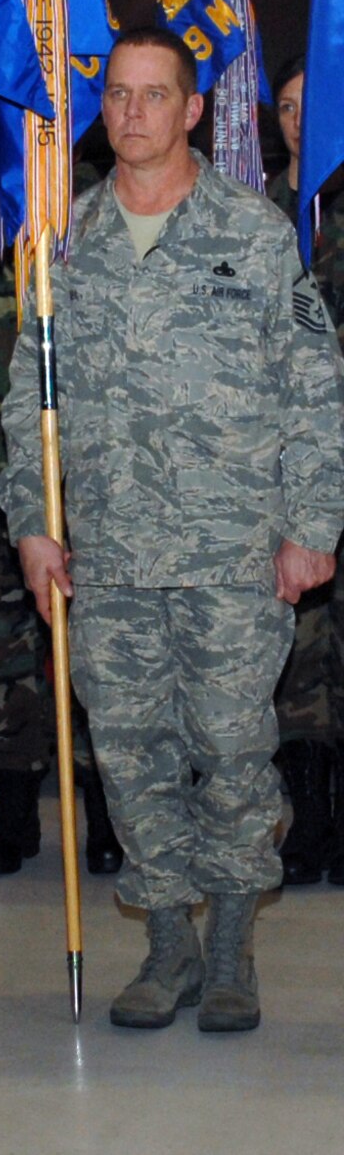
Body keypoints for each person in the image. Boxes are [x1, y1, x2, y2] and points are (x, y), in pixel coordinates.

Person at [0, 27, 344, 1033]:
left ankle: (231, 941)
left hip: (230, 551)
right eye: (117, 96)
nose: (131, 113)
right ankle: (166, 942)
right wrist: (32, 523)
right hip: (105, 555)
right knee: (129, 749)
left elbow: (311, 391)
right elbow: (31, 397)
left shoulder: (255, 230)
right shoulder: (62, 239)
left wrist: (310, 523)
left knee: (233, 747)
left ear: (193, 110)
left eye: (154, 96)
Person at [0, 205, 121, 879]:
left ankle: (105, 814)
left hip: (84, 497)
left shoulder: (100, 236)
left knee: (94, 661)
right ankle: (12, 816)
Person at [263, 54, 344, 885]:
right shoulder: (261, 217)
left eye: (310, 104)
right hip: (291, 468)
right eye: (284, 106)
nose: (297, 119)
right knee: (299, 649)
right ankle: (307, 822)